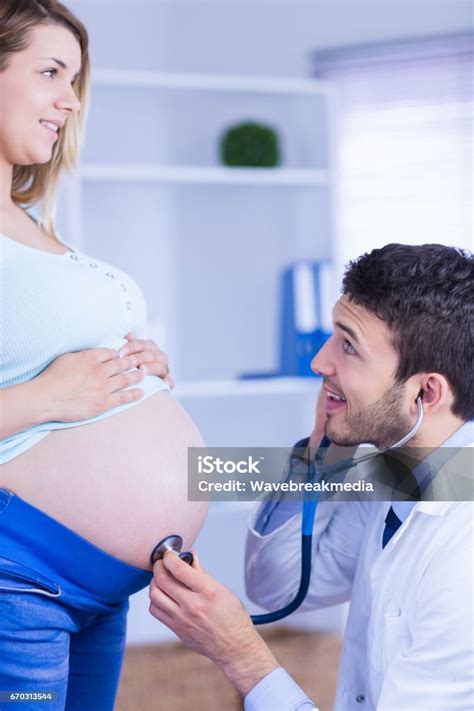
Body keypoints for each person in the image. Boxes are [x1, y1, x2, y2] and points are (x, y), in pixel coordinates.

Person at [149, 243, 474, 710]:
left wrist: (240, 655)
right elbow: (278, 586)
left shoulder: (463, 552)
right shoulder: (400, 477)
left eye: (348, 345)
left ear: (425, 392)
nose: (319, 363)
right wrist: (325, 453)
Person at [0, 2, 208, 708]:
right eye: (51, 72)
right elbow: (51, 390)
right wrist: (50, 398)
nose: (70, 98)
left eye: (76, 78)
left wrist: (141, 371)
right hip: (17, 569)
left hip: (97, 585)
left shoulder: (32, 227)